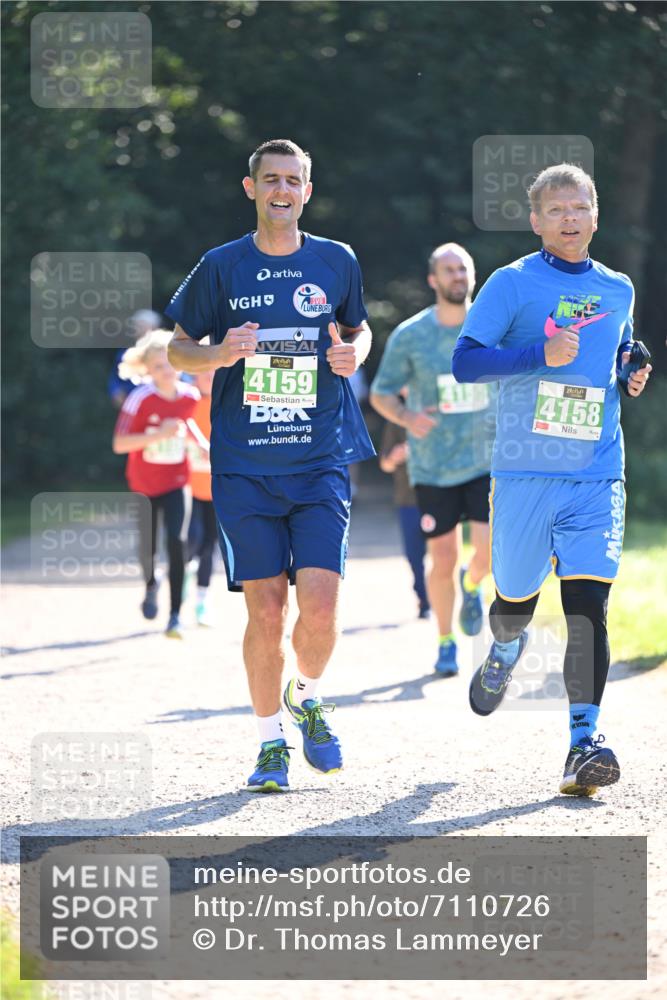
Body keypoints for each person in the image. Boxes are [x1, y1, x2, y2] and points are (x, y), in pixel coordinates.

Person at [165, 138, 375, 792]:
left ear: (307, 191)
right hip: (244, 465)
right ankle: (268, 745)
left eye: (294, 180)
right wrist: (218, 352)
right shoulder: (220, 267)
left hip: (318, 459)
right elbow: (175, 349)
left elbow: (357, 329)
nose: (282, 190)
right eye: (271, 179)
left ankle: (305, 694)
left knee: (318, 607)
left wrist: (354, 354)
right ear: (250, 188)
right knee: (265, 610)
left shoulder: (336, 260)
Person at [452, 163, 652, 796]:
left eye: (581, 207)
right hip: (524, 470)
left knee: (588, 607)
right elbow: (465, 362)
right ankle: (505, 648)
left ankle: (582, 742)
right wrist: (540, 354)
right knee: (515, 598)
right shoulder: (511, 285)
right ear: (537, 221)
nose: (571, 219)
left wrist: (630, 369)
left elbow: (615, 354)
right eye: (557, 210)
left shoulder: (617, 287)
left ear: (597, 215)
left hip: (597, 470)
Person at [370, 244, 495, 677]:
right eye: (448, 269)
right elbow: (381, 392)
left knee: (488, 553)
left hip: (487, 459)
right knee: (441, 559)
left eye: (463, 268)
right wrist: (406, 417)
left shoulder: (495, 324)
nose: (457, 275)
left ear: (472, 275)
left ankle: (473, 583)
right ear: (433, 280)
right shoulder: (411, 334)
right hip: (433, 466)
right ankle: (445, 641)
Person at [112, 329, 199, 638]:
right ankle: (151, 584)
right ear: (148, 369)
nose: (167, 371)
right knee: (147, 549)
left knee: (177, 542)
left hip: (177, 481)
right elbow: (119, 444)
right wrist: (156, 436)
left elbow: (187, 426)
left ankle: (175, 616)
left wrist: (203, 446)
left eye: (171, 364)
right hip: (144, 484)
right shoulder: (139, 399)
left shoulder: (190, 396)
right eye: (159, 366)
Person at [378, 404, 430, 619]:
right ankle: (423, 598)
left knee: (441, 553)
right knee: (414, 554)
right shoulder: (395, 421)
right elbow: (385, 464)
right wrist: (396, 456)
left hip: (438, 497)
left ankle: (436, 597)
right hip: (407, 499)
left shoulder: (440, 416)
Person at [185, 369, 218, 627]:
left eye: (215, 370)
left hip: (217, 489)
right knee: (192, 538)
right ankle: (184, 574)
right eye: (205, 370)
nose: (210, 374)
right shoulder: (186, 401)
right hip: (188, 486)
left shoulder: (225, 403)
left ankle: (202, 601)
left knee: (209, 546)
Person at [108, 310, 163, 409]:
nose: (138, 329)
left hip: (159, 404)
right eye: (136, 326)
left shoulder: (164, 352)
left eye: (142, 326)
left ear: (154, 328)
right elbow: (115, 378)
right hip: (131, 405)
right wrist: (115, 392)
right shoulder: (125, 353)